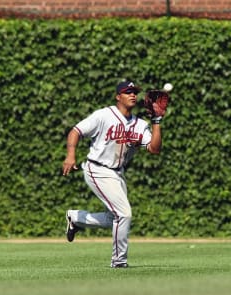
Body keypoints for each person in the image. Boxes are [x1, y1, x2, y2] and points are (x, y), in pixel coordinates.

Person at [62, 81, 164, 268]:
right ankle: (119, 261)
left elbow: (154, 149)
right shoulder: (103, 116)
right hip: (97, 168)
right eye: (127, 92)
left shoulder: (140, 125)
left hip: (117, 173)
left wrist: (156, 121)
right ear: (118, 97)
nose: (132, 95)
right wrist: (70, 155)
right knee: (124, 214)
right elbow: (76, 131)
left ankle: (75, 218)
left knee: (114, 218)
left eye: (134, 92)